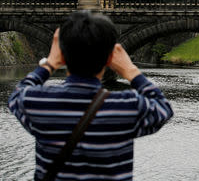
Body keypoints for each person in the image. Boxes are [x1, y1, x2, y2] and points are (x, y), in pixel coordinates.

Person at [8, 11, 173, 181]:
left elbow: (17, 95)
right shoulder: (127, 107)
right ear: (111, 58)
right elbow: (163, 108)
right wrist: (130, 70)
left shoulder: (39, 103)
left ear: (62, 56)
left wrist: (50, 63)